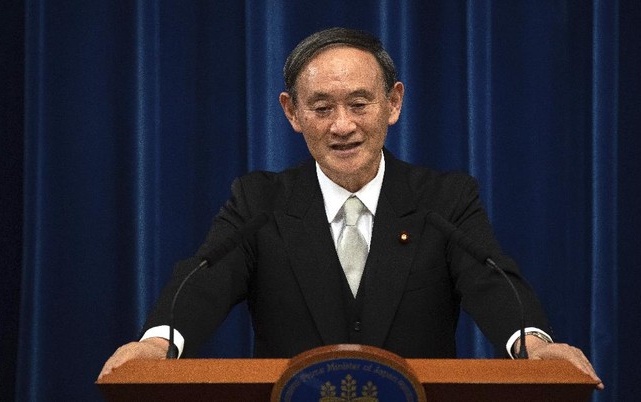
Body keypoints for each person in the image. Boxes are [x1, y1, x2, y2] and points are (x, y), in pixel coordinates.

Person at [99, 27, 603, 390]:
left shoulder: (443, 200)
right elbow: (206, 279)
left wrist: (534, 345)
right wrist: (156, 345)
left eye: (359, 104)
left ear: (394, 104)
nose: (342, 126)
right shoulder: (260, 201)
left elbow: (491, 283)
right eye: (321, 108)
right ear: (291, 113)